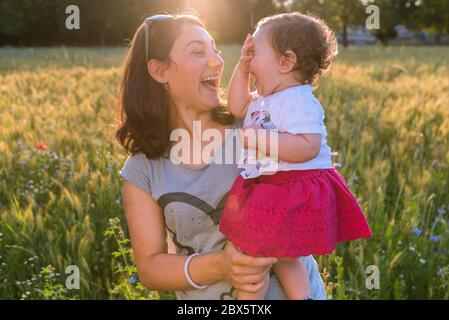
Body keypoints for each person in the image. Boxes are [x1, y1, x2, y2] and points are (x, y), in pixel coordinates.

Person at [116, 13, 326, 300]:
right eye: (198, 52)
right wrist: (221, 266)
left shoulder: (257, 122)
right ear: (160, 71)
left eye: (214, 49)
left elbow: (312, 173)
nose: (217, 61)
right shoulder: (142, 170)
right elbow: (151, 268)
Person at [219, 12, 372, 300]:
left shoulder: (298, 100)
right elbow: (237, 107)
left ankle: (255, 299)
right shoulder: (262, 99)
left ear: (285, 61)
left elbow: (307, 147)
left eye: (255, 53)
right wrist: (241, 67)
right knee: (280, 254)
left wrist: (258, 138)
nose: (250, 59)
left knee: (257, 251)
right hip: (273, 186)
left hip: (293, 187)